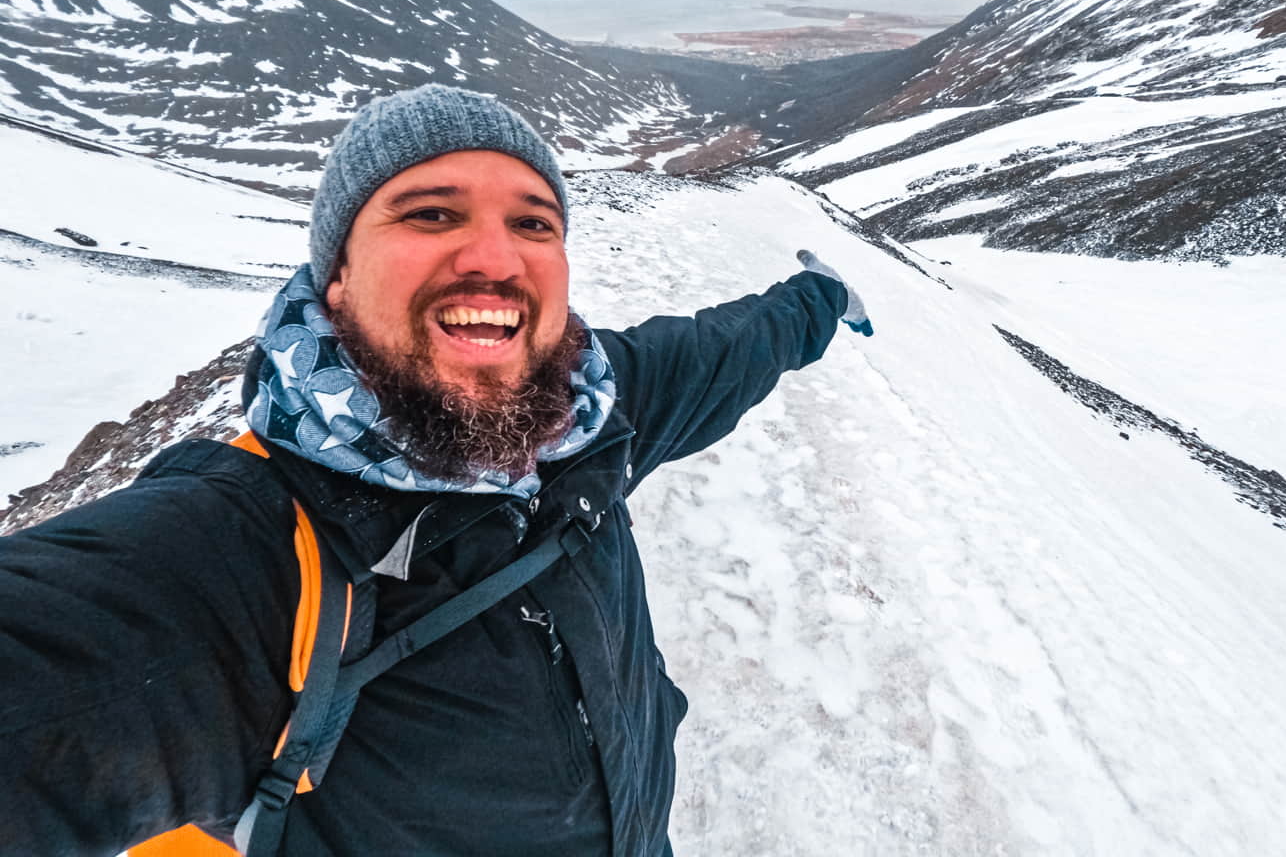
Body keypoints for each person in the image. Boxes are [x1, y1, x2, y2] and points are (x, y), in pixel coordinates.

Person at [0, 84, 872, 856]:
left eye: (533, 222)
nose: (494, 257)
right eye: (430, 214)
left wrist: (820, 299)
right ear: (336, 274)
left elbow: (727, 350)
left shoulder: (592, 418)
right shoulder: (232, 551)